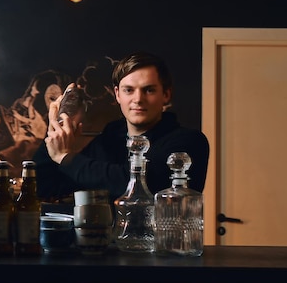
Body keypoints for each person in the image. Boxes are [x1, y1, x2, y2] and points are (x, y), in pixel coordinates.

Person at [33, 51, 210, 202]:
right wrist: (55, 132)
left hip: (164, 243)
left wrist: (66, 157)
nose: (138, 99)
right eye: (129, 90)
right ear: (117, 94)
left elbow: (134, 186)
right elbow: (45, 186)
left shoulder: (188, 142)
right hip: (103, 242)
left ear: (166, 94)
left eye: (149, 90)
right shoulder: (110, 140)